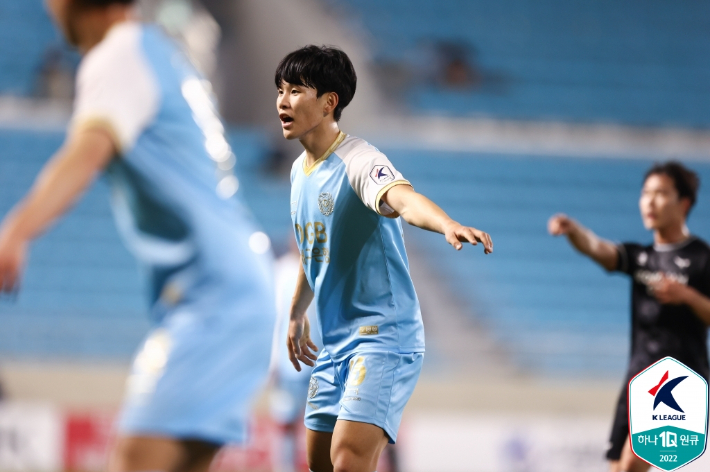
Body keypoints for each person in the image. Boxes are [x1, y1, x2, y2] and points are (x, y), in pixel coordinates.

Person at [0, 1, 275, 471]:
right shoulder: (158, 52)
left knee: (135, 460)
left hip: (214, 298)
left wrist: (15, 231)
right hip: (235, 289)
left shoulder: (117, 55)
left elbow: (85, 154)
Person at [275, 45, 493, 472]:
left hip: (382, 338)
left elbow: (403, 200)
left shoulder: (359, 159)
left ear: (328, 102)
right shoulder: (298, 172)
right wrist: (297, 313)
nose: (282, 101)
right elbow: (311, 247)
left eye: (296, 90)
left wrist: (445, 223)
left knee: (348, 457)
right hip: (334, 344)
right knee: (320, 462)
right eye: (280, 90)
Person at [548, 162, 710, 472]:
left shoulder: (702, 257)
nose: (650, 201)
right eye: (646, 193)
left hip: (679, 380)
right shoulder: (640, 257)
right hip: (638, 379)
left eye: (661, 193)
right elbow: (600, 250)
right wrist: (574, 231)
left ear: (684, 203)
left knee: (630, 466)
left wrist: (687, 296)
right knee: (616, 468)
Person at [269, 242, 322, 472]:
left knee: (320, 421)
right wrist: (272, 360)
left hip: (318, 359)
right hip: (289, 360)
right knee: (287, 421)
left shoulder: (320, 269)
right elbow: (275, 318)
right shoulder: (280, 271)